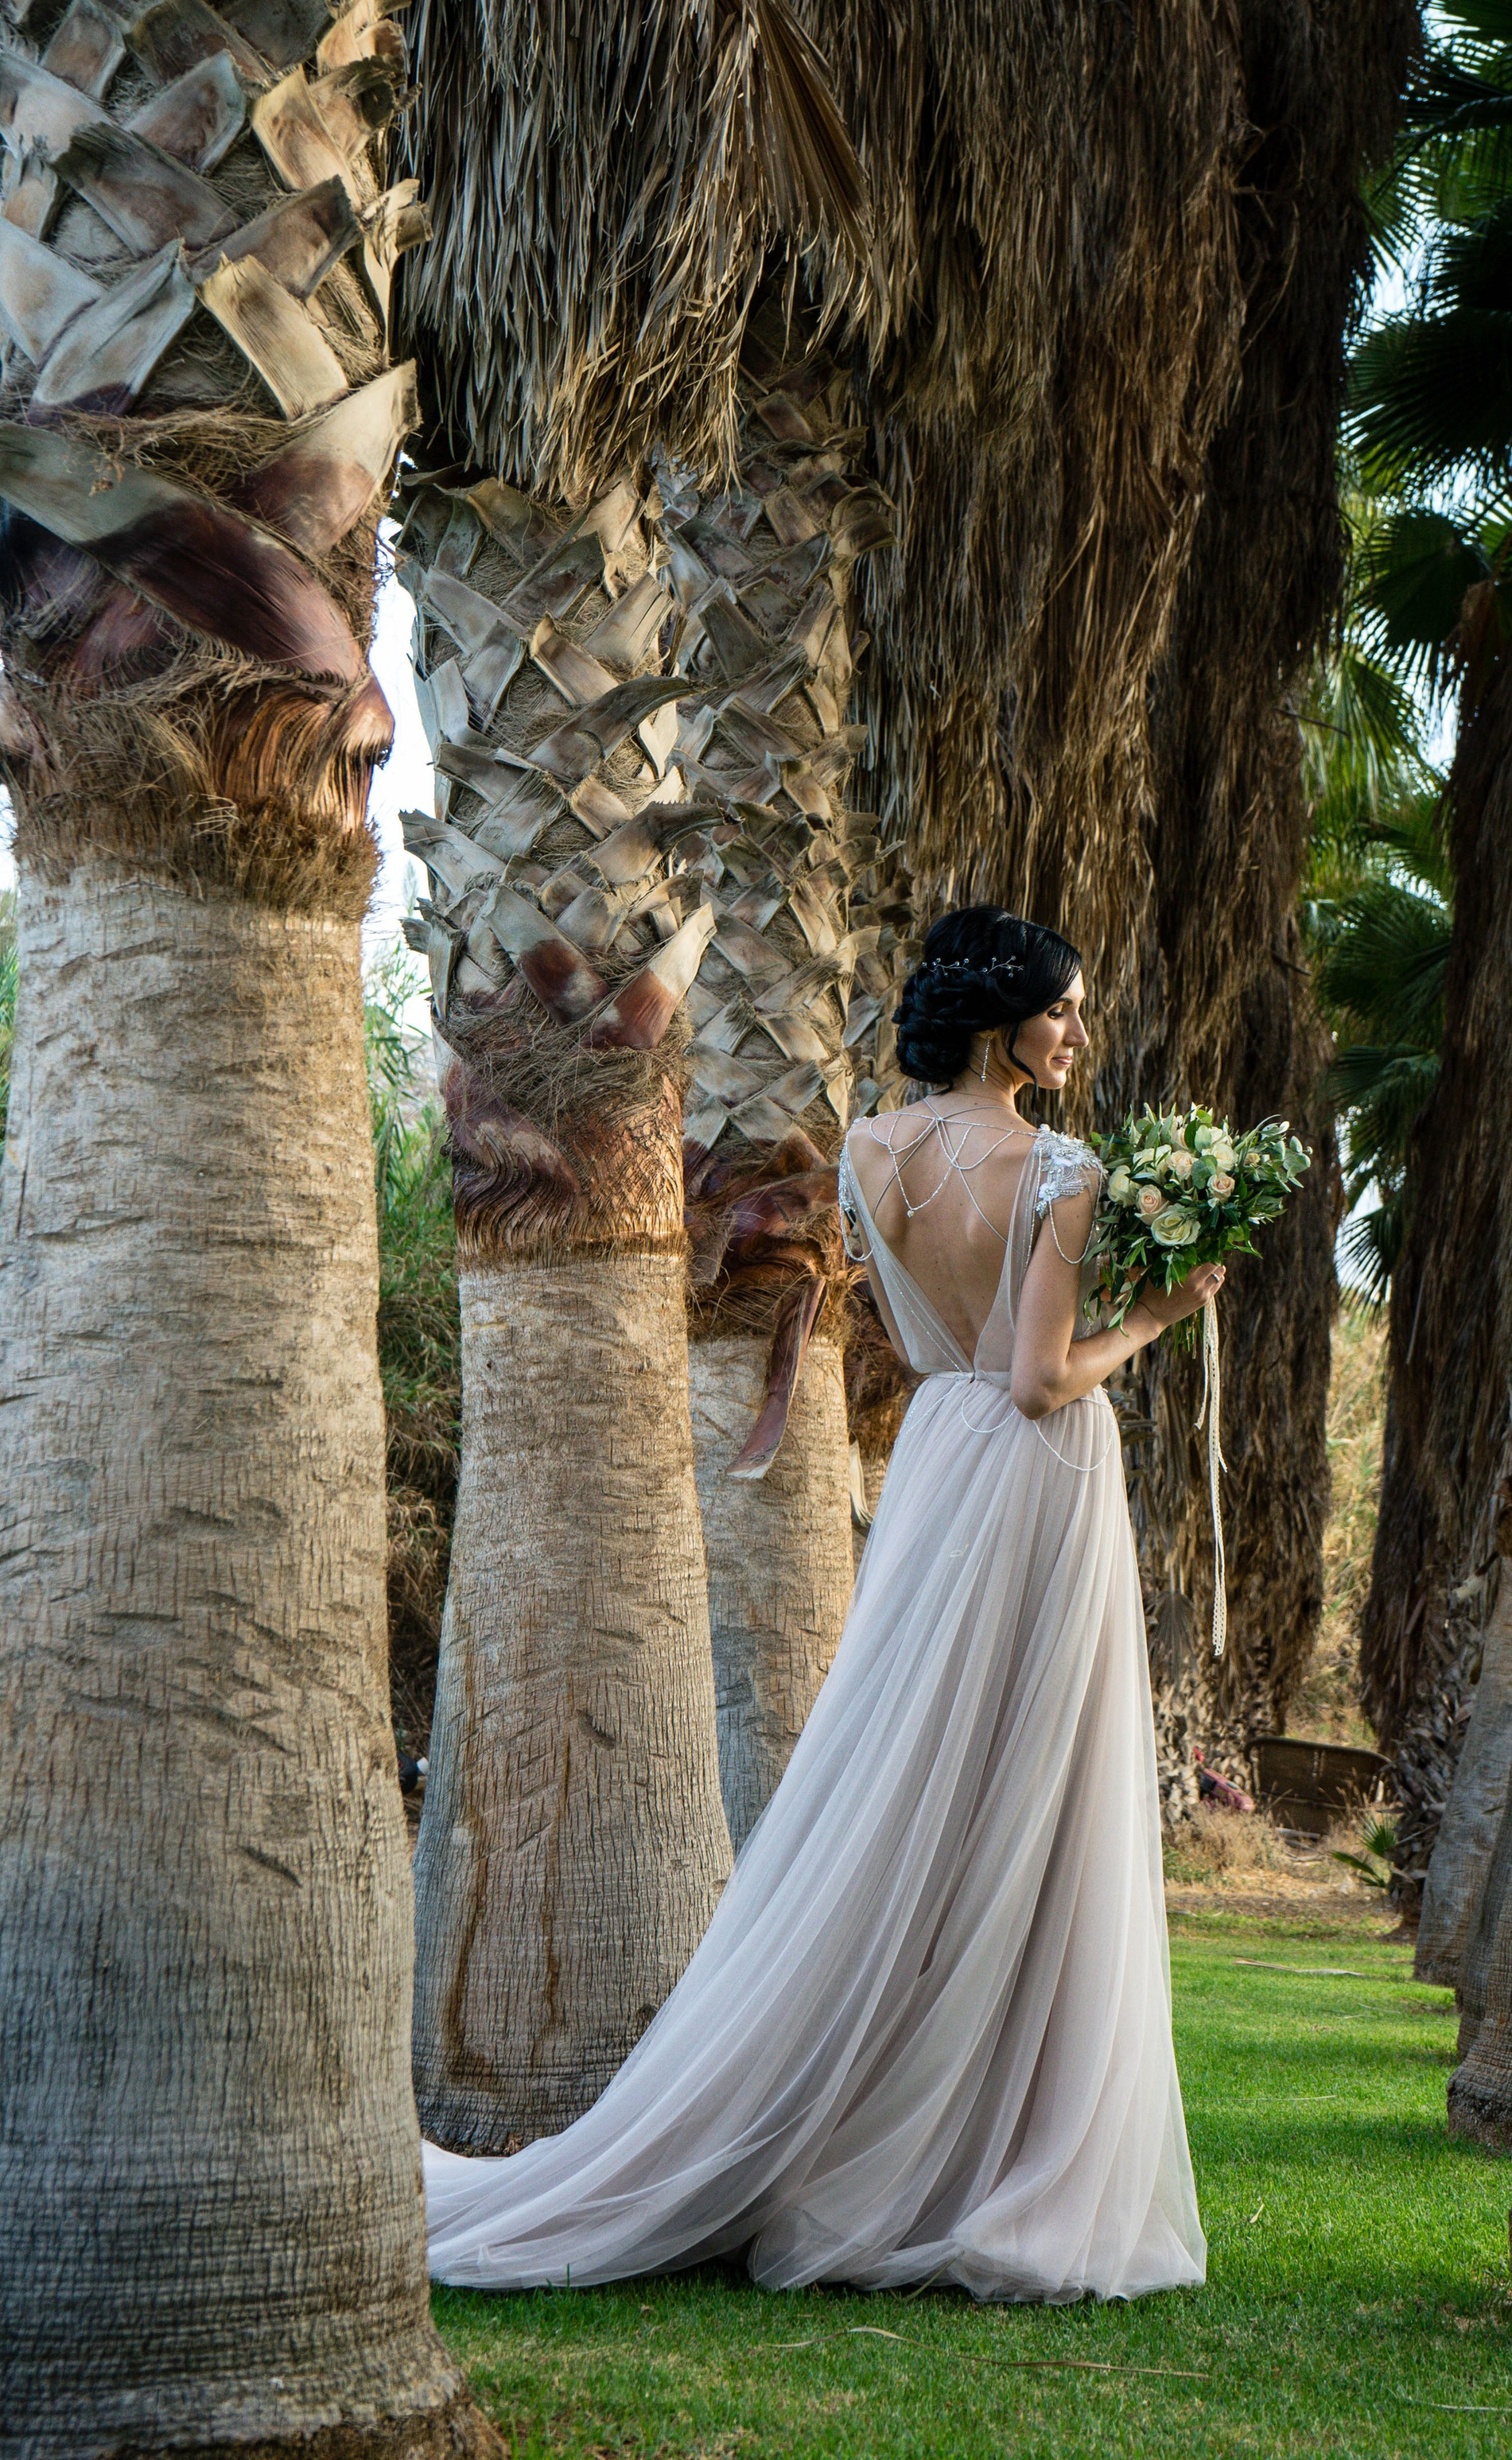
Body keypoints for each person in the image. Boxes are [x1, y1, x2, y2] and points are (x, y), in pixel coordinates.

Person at [422, 904, 1221, 2303]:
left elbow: (942, 1346)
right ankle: (986, 2150)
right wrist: (1160, 1315)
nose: (1079, 1032)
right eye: (1065, 1009)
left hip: (933, 1470)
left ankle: (880, 2106)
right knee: (1029, 1781)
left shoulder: (862, 1154)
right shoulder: (1065, 1167)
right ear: (1001, 1020)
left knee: (909, 1771)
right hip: (1033, 1474)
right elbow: (1040, 1378)